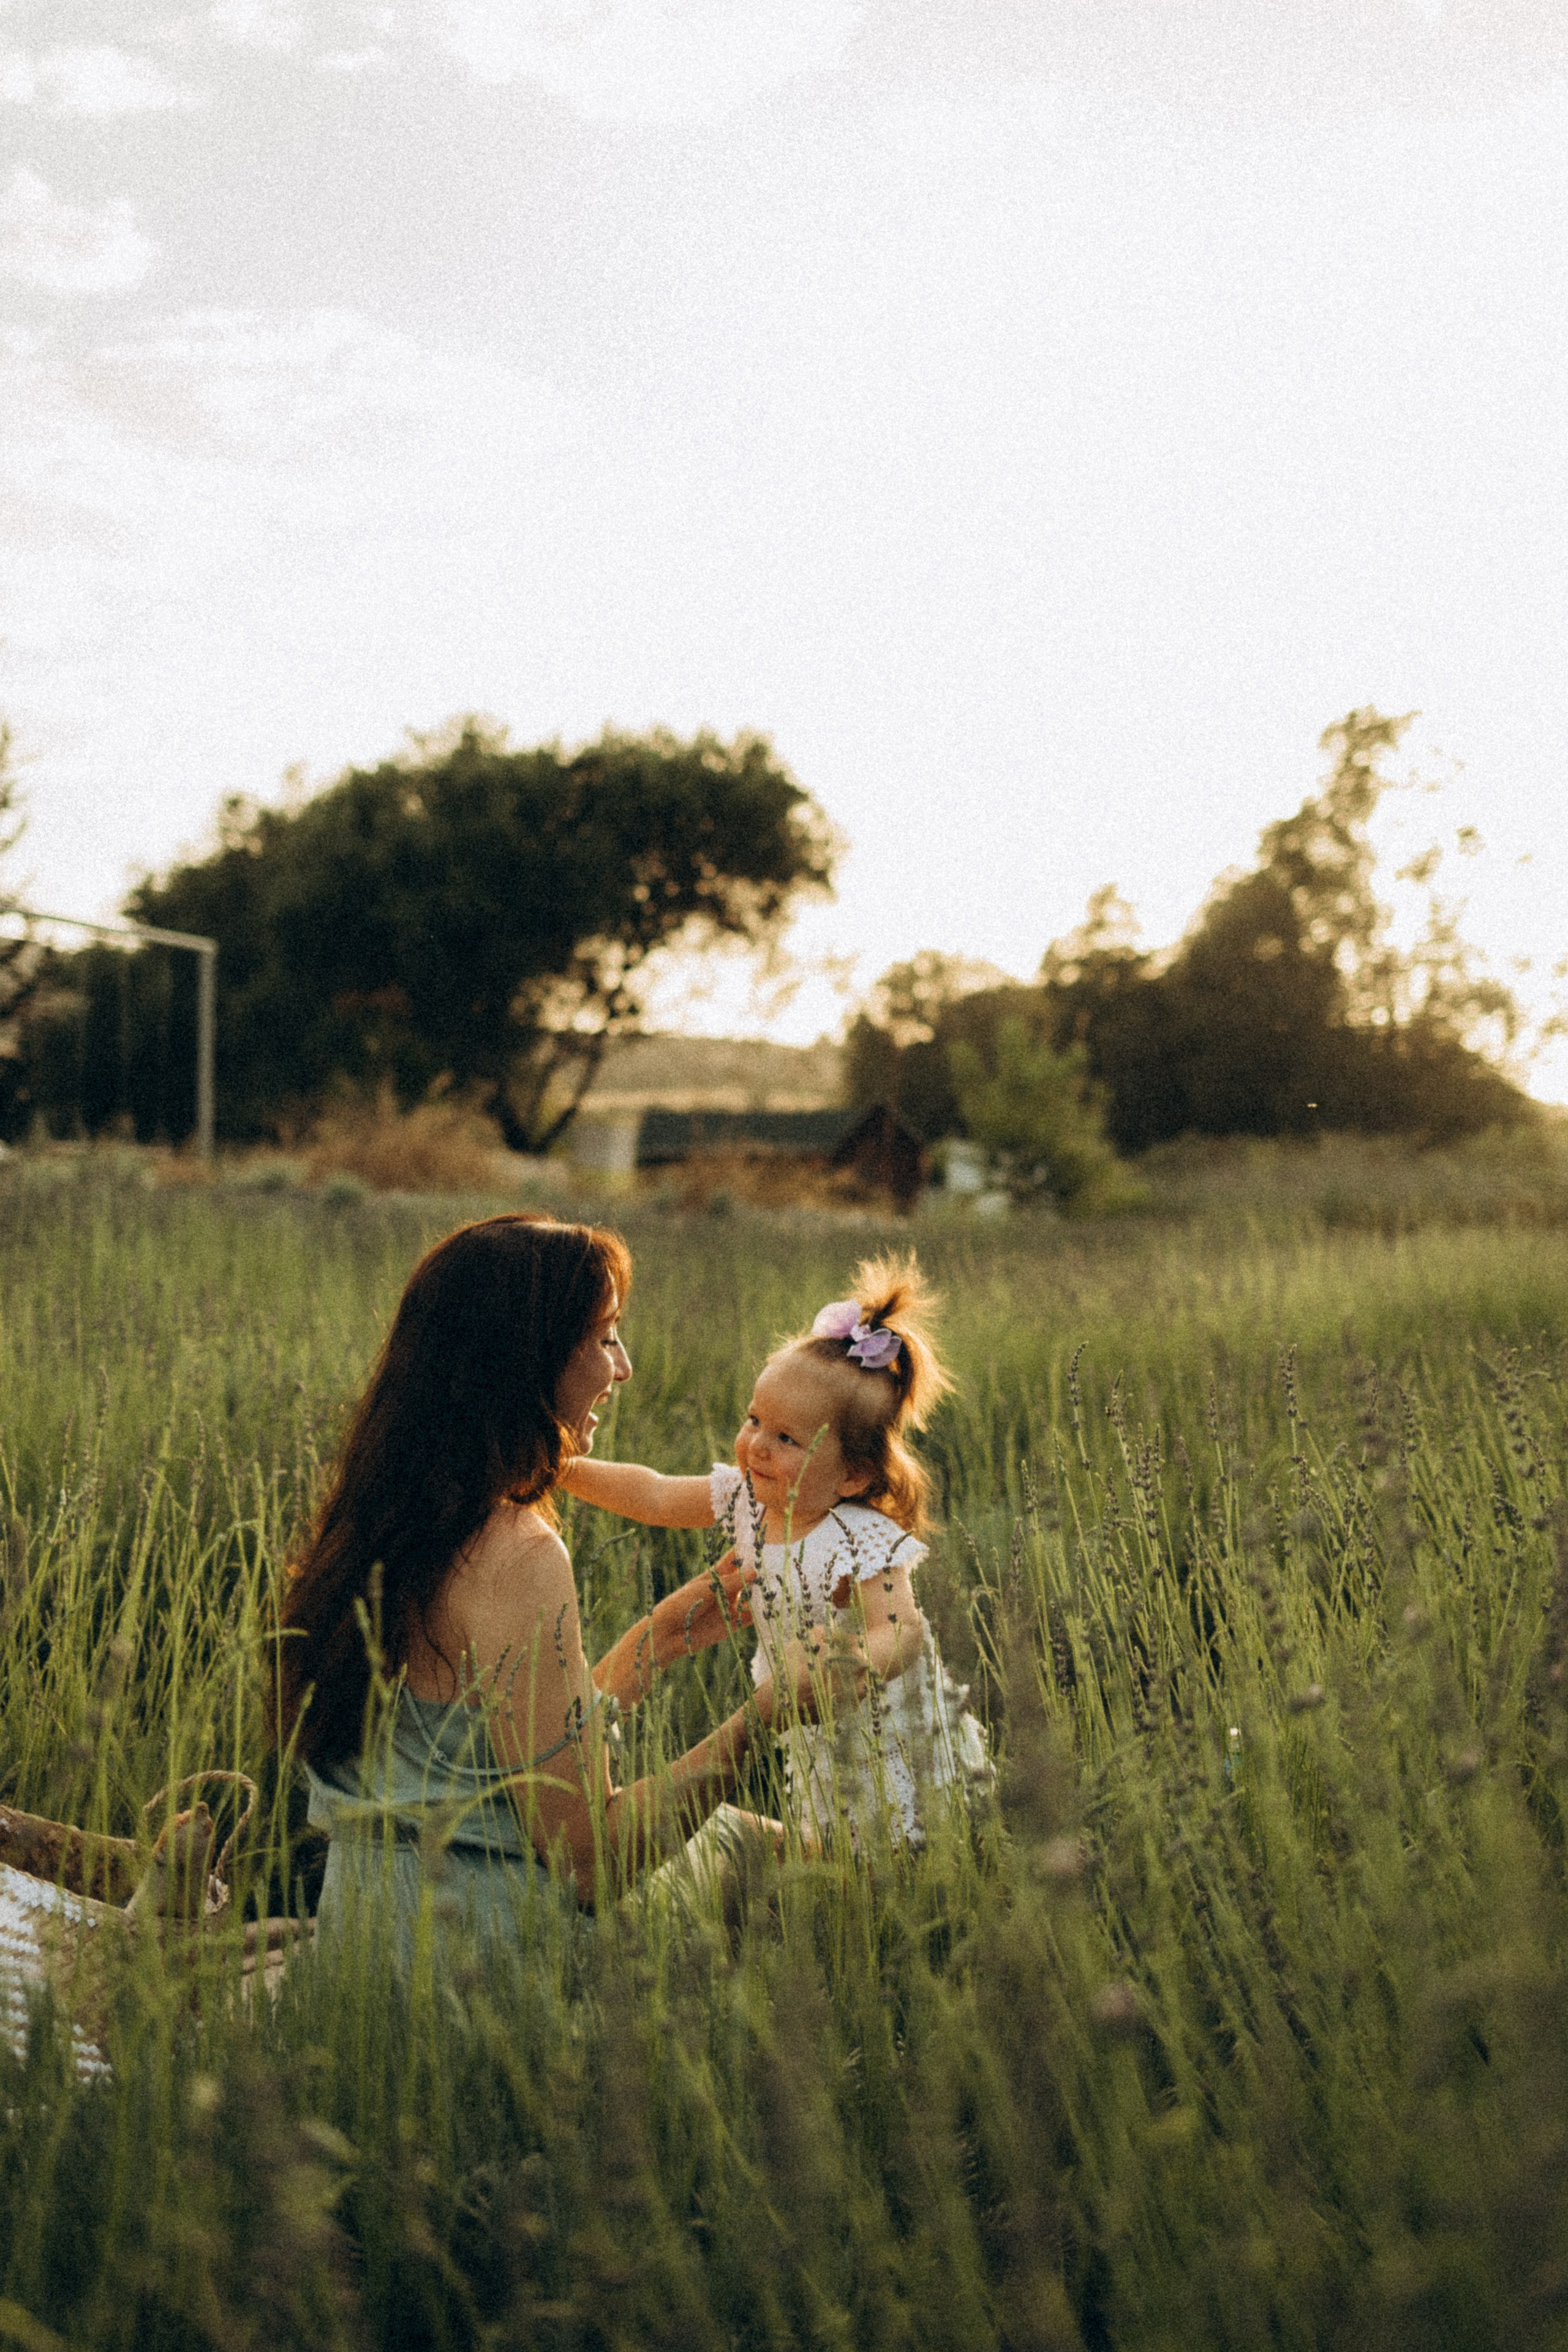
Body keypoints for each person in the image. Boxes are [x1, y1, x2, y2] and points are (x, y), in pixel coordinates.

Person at [270, 1213, 809, 1948]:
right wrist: (769, 1712)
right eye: (604, 1338)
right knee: (801, 1866)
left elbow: (488, 1765)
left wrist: (652, 1643)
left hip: (366, 1945)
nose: (623, 1369)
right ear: (524, 1360)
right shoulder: (518, 1554)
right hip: (484, 1962)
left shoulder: (388, 1513)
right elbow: (592, 1863)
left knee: (756, 1844)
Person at [560, 1253, 991, 1853]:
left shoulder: (856, 1535)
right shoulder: (749, 1500)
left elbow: (902, 1631)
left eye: (786, 1438)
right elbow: (653, 1494)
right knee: (835, 1835)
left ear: (851, 1475)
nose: (755, 1447)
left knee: (901, 1844)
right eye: (753, 1420)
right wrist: (560, 1468)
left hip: (886, 1732)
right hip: (814, 1726)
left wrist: (852, 1660)